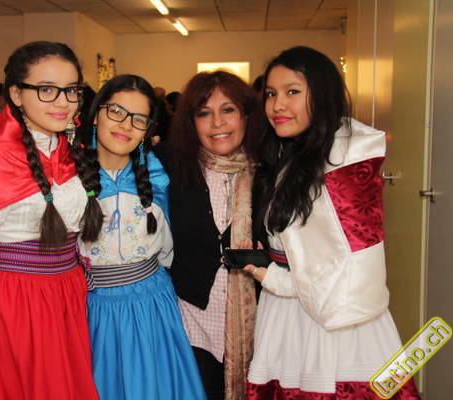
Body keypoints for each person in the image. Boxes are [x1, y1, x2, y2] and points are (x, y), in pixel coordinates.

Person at [244, 46, 421, 399]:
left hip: (334, 324)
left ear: (322, 94)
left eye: (293, 91)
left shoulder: (345, 164)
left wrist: (274, 278)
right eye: (272, 94)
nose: (278, 105)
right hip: (289, 311)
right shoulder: (294, 153)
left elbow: (351, 272)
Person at [0, 41, 99, 400]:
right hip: (16, 304)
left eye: (72, 90)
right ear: (16, 94)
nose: (63, 102)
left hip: (65, 299)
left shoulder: (69, 151)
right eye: (46, 89)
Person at [74, 74, 206, 400]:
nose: (126, 125)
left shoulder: (159, 177)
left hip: (151, 307)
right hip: (92, 309)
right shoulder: (67, 178)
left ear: (148, 130)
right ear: (96, 114)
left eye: (139, 119)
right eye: (116, 111)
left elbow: (169, 247)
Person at [162, 70, 259, 400]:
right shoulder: (172, 169)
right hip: (193, 318)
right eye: (204, 113)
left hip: (258, 319)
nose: (217, 123)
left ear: (246, 115)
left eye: (228, 109)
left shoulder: (271, 172)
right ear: (192, 123)